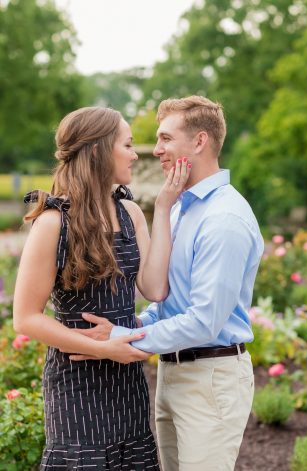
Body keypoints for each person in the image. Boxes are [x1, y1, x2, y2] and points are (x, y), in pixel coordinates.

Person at [72, 96, 264, 470]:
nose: (156, 150)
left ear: (199, 141)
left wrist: (119, 340)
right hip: (173, 374)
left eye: (165, 139)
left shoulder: (224, 218)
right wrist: (134, 326)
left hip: (210, 380)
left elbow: (204, 320)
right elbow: (170, 301)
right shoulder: (180, 208)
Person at [12, 106, 190, 469]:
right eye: (127, 144)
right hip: (76, 388)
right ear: (97, 151)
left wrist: (164, 205)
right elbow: (26, 319)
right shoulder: (53, 223)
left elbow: (155, 289)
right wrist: (106, 349)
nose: (134, 153)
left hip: (127, 383)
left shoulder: (131, 213)